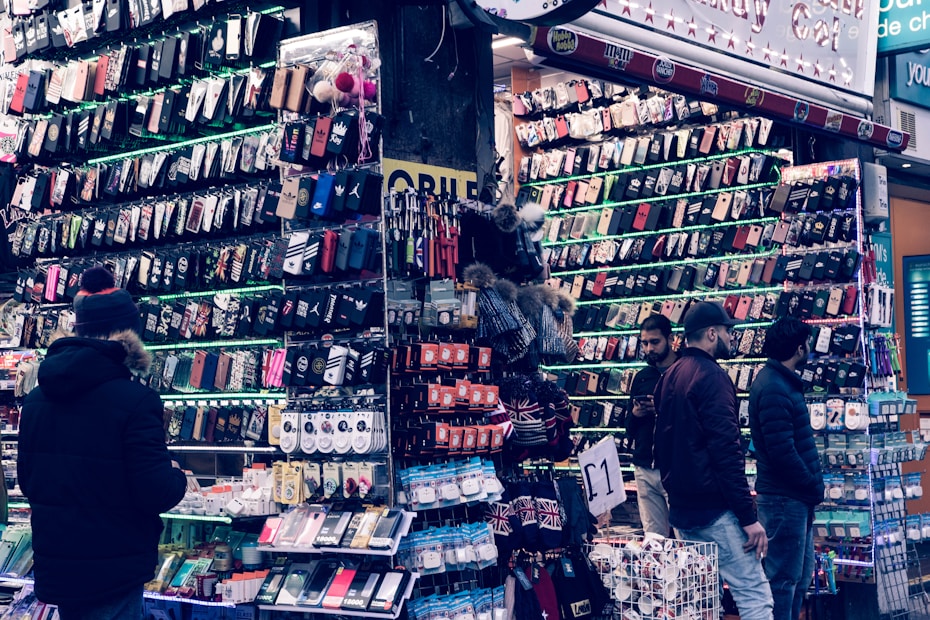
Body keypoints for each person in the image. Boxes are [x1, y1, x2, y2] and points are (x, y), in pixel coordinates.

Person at [18, 267, 187, 620]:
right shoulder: (136, 400)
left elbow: (29, 481)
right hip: (115, 564)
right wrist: (177, 475)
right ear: (127, 336)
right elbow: (155, 490)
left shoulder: (35, 400)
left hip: (60, 561)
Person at [653, 301, 773, 620]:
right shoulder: (713, 378)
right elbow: (726, 453)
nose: (731, 338)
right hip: (714, 511)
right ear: (711, 333)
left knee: (701, 600)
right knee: (754, 593)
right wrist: (748, 518)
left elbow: (662, 445)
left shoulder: (669, 377)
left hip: (682, 509)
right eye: (726, 331)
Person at [749, 317, 824, 620]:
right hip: (785, 497)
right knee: (783, 579)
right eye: (807, 343)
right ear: (799, 346)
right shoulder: (774, 388)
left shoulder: (781, 383)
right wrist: (810, 483)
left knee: (798, 578)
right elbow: (782, 452)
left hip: (794, 497)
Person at [626, 314, 676, 535]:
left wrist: (662, 409)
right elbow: (628, 428)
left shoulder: (683, 372)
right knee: (654, 538)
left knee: (685, 535)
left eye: (654, 342)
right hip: (645, 465)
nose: (649, 348)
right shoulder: (642, 376)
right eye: (644, 343)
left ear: (670, 339)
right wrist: (636, 414)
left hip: (675, 467)